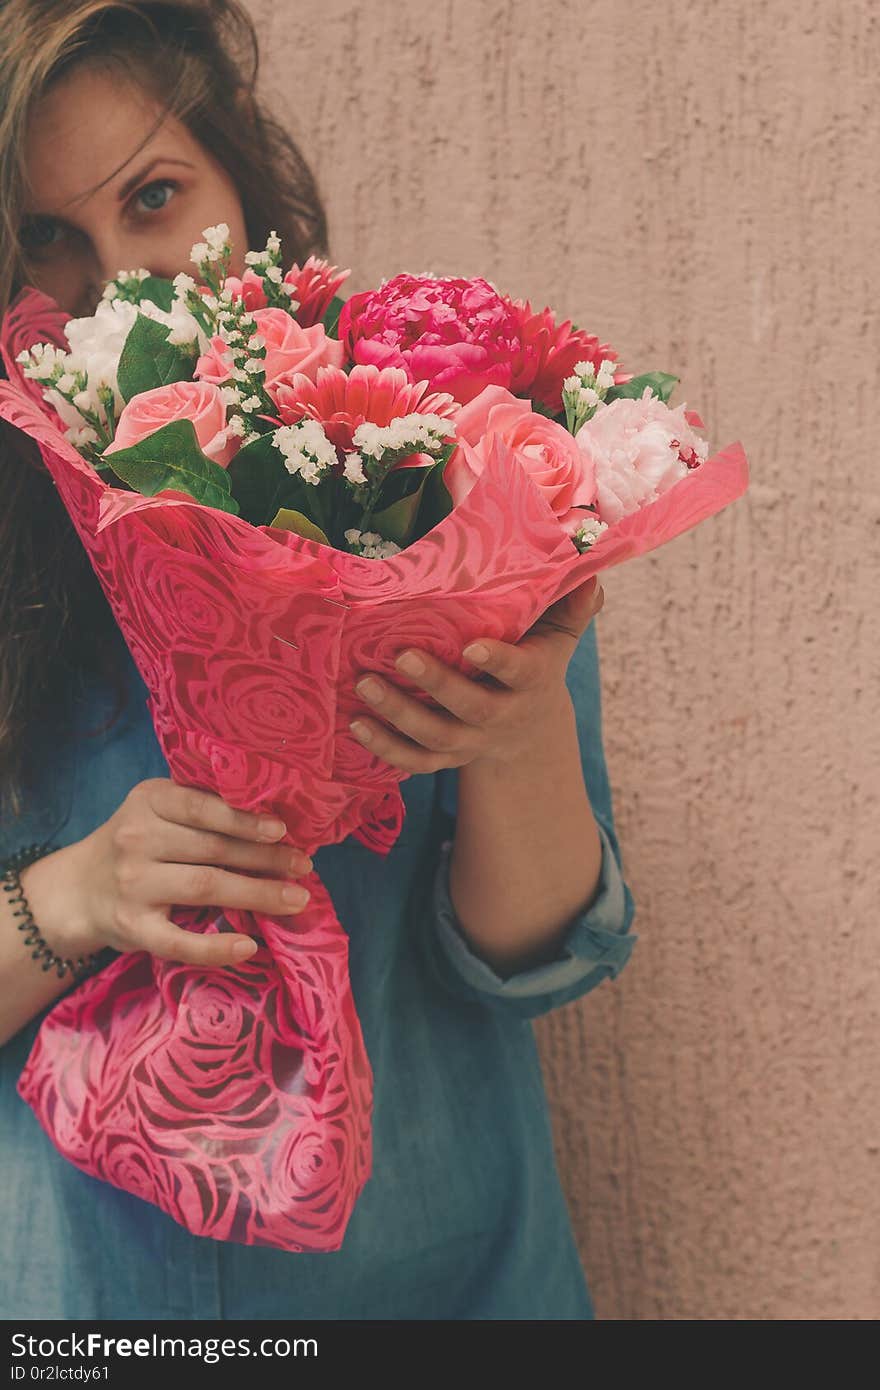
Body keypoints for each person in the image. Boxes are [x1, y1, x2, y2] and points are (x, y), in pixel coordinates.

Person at [0, 0, 638, 1320]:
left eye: (156, 196)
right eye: (46, 241)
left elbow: (531, 955)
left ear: (246, 182)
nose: (116, 280)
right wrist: (70, 897)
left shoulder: (432, 472)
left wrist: (513, 736)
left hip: (447, 1280)